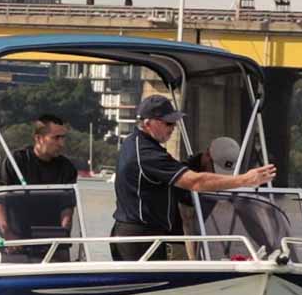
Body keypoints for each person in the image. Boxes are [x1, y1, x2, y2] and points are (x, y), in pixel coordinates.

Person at [111, 95, 276, 261]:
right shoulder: (147, 153)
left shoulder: (137, 144)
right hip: (139, 238)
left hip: (143, 234)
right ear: (148, 123)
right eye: (168, 123)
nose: (173, 127)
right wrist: (244, 180)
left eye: (174, 122)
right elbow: (195, 182)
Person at [0, 114, 79, 259]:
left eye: (63, 138)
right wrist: (7, 233)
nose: (61, 144)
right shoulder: (15, 162)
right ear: (38, 138)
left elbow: (67, 210)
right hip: (16, 242)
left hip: (54, 244)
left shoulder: (67, 168)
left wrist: (63, 235)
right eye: (56, 138)